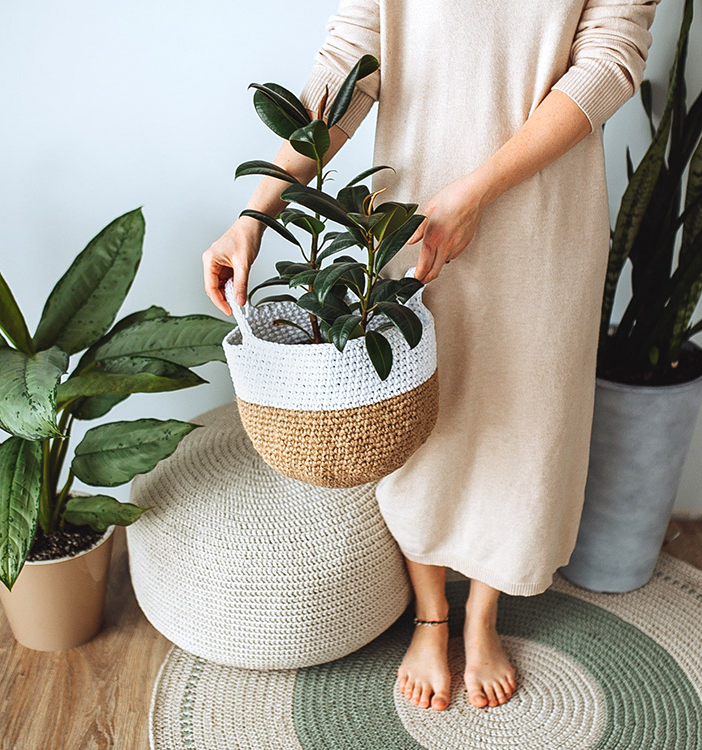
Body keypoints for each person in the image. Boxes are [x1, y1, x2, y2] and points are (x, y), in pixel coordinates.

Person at [204, 0, 659, 712]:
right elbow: (350, 65)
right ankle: (431, 613)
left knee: (525, 416)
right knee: (419, 416)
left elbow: (608, 62)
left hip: (542, 212)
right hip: (409, 217)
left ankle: (482, 615)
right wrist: (255, 214)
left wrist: (479, 190)